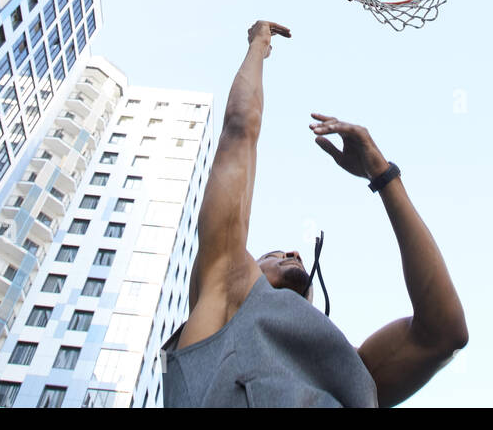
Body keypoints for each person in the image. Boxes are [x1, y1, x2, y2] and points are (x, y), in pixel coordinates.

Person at [160, 20, 468, 407]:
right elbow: (240, 129)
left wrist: (382, 172)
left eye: (290, 252)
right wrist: (258, 46)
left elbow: (445, 334)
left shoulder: (352, 370)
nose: (292, 252)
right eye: (272, 254)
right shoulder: (225, 287)